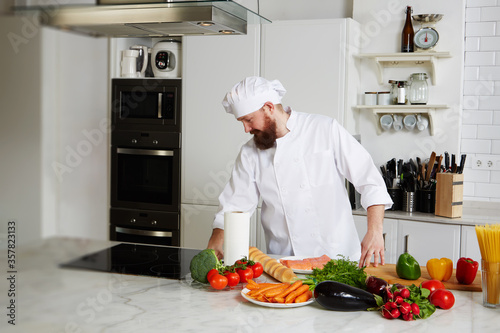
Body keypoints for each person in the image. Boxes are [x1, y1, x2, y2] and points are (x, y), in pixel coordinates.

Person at [207, 76, 393, 268]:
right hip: (284, 263)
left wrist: (375, 231)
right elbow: (234, 205)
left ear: (269, 108)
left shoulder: (324, 129)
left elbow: (370, 180)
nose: (246, 129)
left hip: (339, 259)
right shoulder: (249, 153)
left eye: (248, 120)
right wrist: (216, 241)